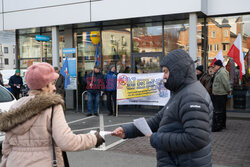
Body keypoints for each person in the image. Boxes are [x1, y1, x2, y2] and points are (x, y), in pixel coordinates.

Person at [112, 49, 213, 167]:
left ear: (177, 71)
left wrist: (157, 139)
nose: (163, 76)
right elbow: (158, 119)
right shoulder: (181, 92)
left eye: (166, 72)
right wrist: (127, 130)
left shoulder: (191, 97)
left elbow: (196, 139)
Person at [0, 63, 105, 167]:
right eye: (52, 84)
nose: (54, 88)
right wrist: (94, 138)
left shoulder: (15, 106)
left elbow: (6, 148)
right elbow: (67, 141)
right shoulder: (52, 106)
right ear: (44, 86)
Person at [212, 60, 231, 131]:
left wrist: (228, 90)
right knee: (221, 111)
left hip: (220, 94)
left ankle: (219, 126)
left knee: (219, 111)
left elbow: (225, 83)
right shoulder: (219, 72)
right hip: (219, 94)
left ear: (219, 66)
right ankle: (222, 125)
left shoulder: (222, 72)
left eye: (215, 66)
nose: (214, 67)